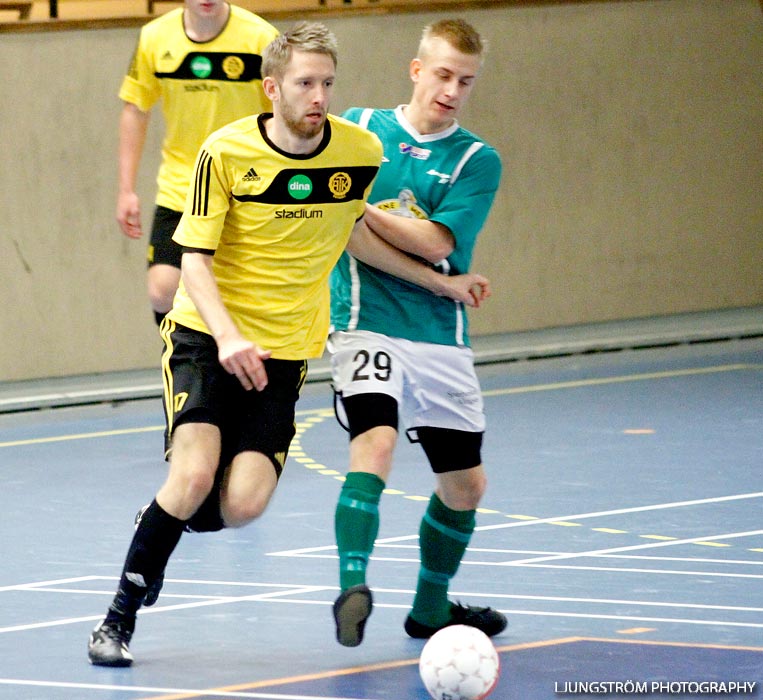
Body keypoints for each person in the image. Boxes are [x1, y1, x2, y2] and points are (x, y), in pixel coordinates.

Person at [88, 21, 490, 668]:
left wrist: (438, 285)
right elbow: (193, 261)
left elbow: (353, 233)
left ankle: (161, 520)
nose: (318, 97)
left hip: (282, 355)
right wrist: (227, 337)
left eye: (327, 84)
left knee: (241, 505)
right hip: (206, 336)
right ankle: (118, 618)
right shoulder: (226, 152)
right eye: (305, 83)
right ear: (271, 88)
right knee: (192, 473)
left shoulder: (356, 153)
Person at [329, 18, 507, 647]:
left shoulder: (477, 160)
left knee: (466, 484)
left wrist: (362, 209)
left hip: (439, 336)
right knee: (374, 443)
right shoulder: (357, 131)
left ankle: (429, 609)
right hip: (364, 322)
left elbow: (435, 241)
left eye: (465, 81)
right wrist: (440, 278)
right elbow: (346, 237)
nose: (452, 89)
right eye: (442, 74)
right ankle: (353, 586)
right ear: (415, 70)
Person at [116, 0, 279, 325]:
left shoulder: (261, 37)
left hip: (246, 189)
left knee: (236, 295)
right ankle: (180, 365)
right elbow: (136, 109)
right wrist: (126, 189)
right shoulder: (154, 37)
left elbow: (280, 113)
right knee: (163, 288)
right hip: (183, 188)